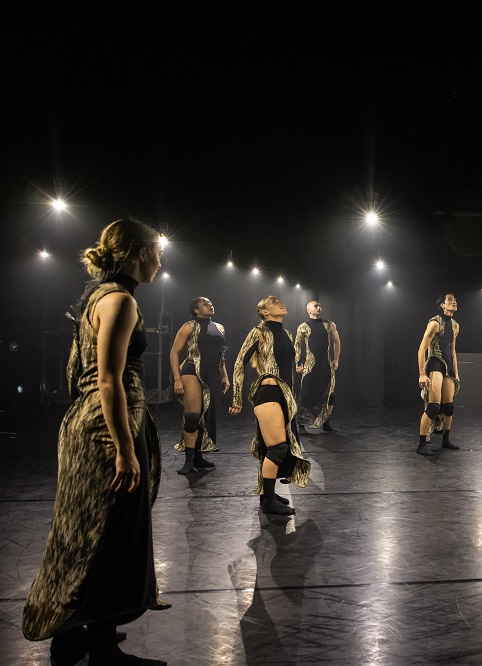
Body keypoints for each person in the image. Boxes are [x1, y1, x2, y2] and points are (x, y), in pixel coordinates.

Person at [23, 219, 169, 665]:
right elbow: (108, 380)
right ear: (140, 253)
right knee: (112, 535)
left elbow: (78, 373)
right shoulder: (120, 300)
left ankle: (72, 635)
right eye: (157, 253)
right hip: (108, 429)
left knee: (87, 530)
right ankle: (104, 649)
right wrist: (123, 449)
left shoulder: (97, 296)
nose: (160, 261)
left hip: (89, 423)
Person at [231, 296, 311, 515]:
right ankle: (268, 502)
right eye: (274, 301)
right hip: (268, 392)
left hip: (284, 396)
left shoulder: (287, 334)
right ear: (264, 312)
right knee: (277, 448)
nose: (281, 303)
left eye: (281, 300)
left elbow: (287, 367)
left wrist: (292, 399)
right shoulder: (258, 332)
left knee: (272, 447)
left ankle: (267, 494)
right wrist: (236, 398)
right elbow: (239, 363)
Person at [170, 296, 229, 474]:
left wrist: (225, 377)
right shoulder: (189, 326)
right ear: (196, 310)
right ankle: (188, 461)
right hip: (192, 371)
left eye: (210, 302)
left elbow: (221, 355)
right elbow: (174, 353)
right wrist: (177, 379)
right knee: (193, 417)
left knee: (207, 415)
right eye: (204, 303)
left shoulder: (219, 327)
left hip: (213, 374)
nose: (210, 305)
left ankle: (198, 457)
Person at [416, 294, 461, 455]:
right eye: (450, 300)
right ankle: (421, 444)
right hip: (436, 363)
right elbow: (422, 348)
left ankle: (446, 440)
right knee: (434, 405)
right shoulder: (435, 323)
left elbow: (453, 350)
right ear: (442, 305)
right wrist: (422, 374)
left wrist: (456, 373)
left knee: (449, 406)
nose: (454, 302)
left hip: (448, 366)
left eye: (455, 300)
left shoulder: (455, 326)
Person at [294, 300, 341, 434]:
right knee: (305, 394)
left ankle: (326, 423)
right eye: (315, 306)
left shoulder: (329, 324)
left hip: (326, 365)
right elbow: (297, 345)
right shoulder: (303, 327)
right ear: (308, 310)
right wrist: (298, 363)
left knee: (330, 395)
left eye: (320, 305)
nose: (319, 307)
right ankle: (301, 426)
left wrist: (336, 359)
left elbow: (337, 341)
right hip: (310, 366)